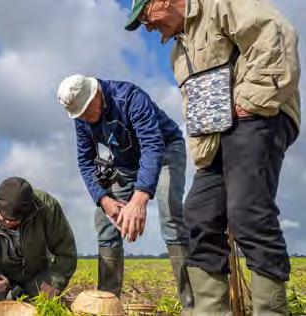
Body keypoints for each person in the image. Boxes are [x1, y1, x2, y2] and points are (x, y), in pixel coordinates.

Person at [124, 0, 300, 314]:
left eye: (145, 17)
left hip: (258, 116)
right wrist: (203, 150)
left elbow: (275, 34)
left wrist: (250, 100)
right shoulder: (177, 53)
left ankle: (270, 310)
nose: (147, 27)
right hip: (216, 139)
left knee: (248, 212)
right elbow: (196, 105)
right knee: (198, 214)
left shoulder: (219, 5)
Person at [56, 74, 193, 311]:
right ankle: (106, 305)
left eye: (88, 112)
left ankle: (193, 306)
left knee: (169, 214)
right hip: (125, 163)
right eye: (80, 116)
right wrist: (104, 199)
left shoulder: (130, 98)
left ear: (96, 93)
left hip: (165, 151)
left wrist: (139, 200)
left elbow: (152, 145)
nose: (86, 119)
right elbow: (85, 161)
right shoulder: (82, 118)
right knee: (105, 220)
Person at [0, 177, 77, 307]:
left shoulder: (47, 208)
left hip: (36, 279)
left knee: (42, 306)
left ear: (28, 213)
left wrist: (54, 281)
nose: (8, 223)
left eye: (14, 222)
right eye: (3, 220)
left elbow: (66, 253)